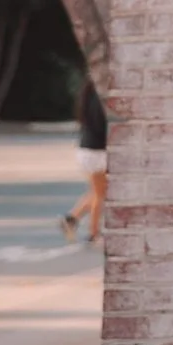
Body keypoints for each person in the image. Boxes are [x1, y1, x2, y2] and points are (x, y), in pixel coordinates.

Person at [63, 75, 108, 243]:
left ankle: (72, 218)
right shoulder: (99, 97)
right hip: (97, 151)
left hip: (88, 149)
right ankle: (94, 233)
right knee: (99, 193)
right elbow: (101, 124)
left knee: (100, 190)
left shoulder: (89, 95)